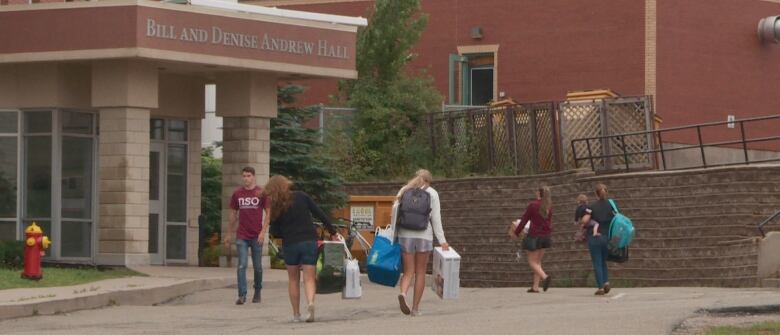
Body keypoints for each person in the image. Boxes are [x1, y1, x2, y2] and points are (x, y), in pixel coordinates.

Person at [264, 175, 339, 323]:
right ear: (286, 184)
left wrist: (285, 231)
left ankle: (296, 314)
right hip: (308, 241)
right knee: (309, 277)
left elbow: (275, 231)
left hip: (290, 244)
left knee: (293, 279)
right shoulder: (302, 196)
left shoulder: (276, 205)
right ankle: (310, 303)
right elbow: (320, 214)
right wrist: (333, 232)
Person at [394, 169, 449, 316]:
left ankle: (403, 294)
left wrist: (394, 235)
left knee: (408, 271)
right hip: (424, 235)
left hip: (405, 235)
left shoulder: (404, 190)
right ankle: (415, 309)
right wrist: (442, 241)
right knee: (420, 272)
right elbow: (436, 219)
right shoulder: (432, 193)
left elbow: (395, 213)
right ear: (429, 181)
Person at [224, 166, 269, 305]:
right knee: (242, 265)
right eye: (244, 176)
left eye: (248, 176)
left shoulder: (261, 193)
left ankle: (257, 291)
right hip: (242, 235)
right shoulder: (237, 194)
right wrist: (228, 233)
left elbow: (269, 213)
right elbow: (232, 215)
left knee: (257, 267)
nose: (246, 178)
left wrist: (263, 232)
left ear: (254, 177)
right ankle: (242, 295)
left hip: (256, 235)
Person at [514, 186, 553, 293]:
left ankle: (545, 277)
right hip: (546, 236)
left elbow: (524, 220)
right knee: (538, 262)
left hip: (535, 236)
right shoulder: (549, 206)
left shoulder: (533, 205)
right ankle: (535, 287)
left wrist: (516, 232)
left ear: (539, 193)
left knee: (532, 262)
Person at [579, 183, 615, 295]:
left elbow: (584, 221)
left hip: (594, 238)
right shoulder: (611, 204)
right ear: (606, 192)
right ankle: (606, 282)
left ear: (596, 194)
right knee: (603, 261)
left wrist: (583, 219)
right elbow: (617, 218)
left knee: (597, 262)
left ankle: (600, 287)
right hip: (607, 237)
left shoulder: (591, 206)